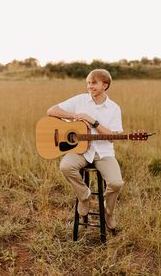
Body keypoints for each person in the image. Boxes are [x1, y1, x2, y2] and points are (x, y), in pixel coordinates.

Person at [47, 68, 124, 230]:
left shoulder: (114, 108)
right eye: (88, 83)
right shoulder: (80, 100)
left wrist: (93, 121)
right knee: (66, 166)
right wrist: (74, 117)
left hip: (103, 152)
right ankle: (84, 196)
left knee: (116, 183)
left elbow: (112, 137)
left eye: (94, 83)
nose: (89, 86)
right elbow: (52, 111)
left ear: (105, 85)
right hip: (80, 149)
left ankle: (108, 211)